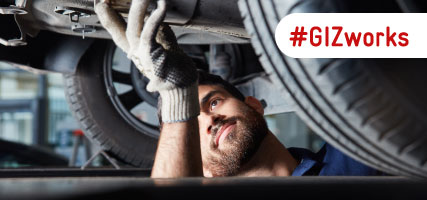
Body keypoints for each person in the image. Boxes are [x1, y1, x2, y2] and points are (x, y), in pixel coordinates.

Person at [95, 0, 385, 178]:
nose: (210, 121)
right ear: (202, 172)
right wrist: (176, 95)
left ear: (255, 104)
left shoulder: (354, 150)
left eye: (213, 103)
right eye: (194, 129)